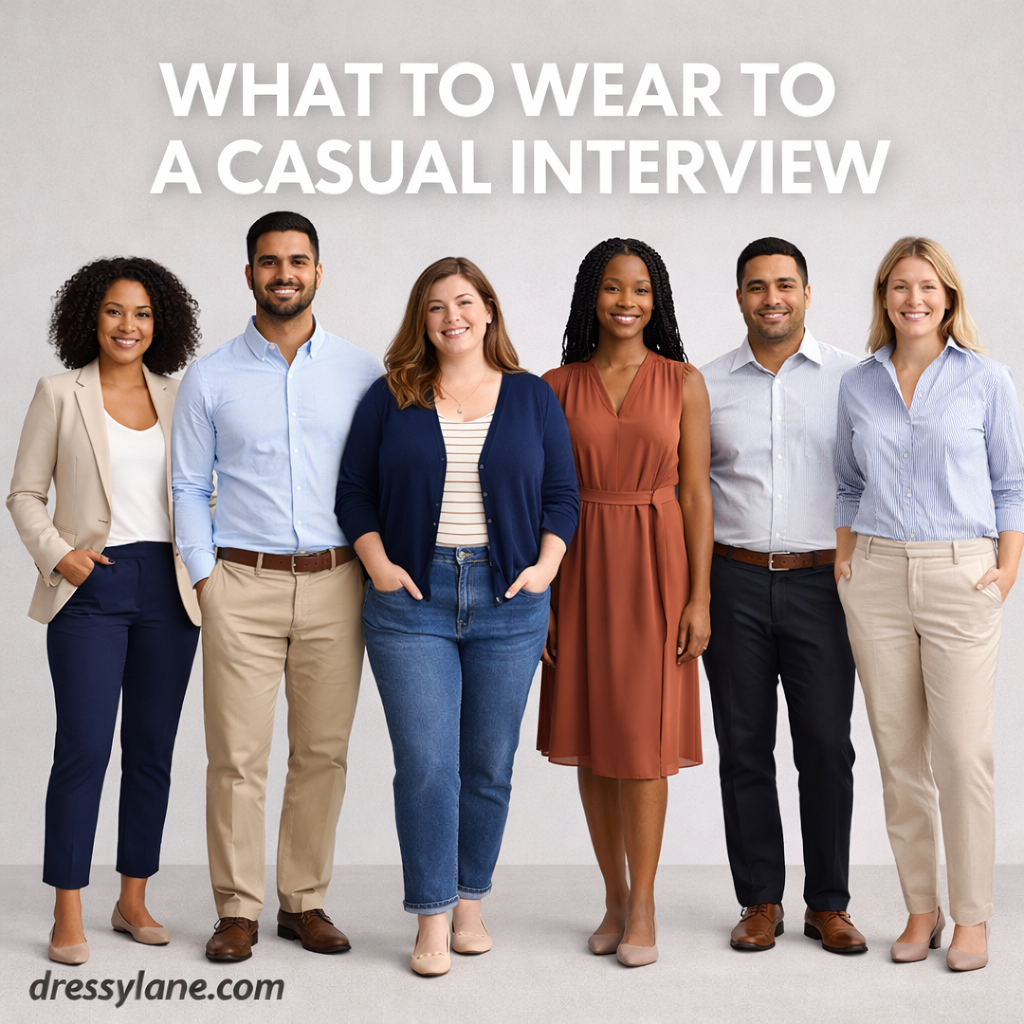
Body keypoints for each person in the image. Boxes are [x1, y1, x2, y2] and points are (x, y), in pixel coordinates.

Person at [336, 256, 578, 976]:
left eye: (464, 303)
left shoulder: (532, 397)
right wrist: (379, 565)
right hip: (412, 602)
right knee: (426, 767)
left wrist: (544, 568)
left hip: (509, 602)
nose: (452, 317)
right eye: (436, 307)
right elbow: (354, 493)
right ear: (423, 320)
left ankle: (471, 904)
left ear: (490, 311)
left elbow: (563, 495)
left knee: (487, 767)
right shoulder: (392, 397)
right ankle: (432, 918)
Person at [172, 211, 381, 962]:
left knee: (322, 752)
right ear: (250, 272)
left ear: (318, 272)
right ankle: (236, 908)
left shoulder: (363, 372)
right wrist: (205, 576)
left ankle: (304, 902)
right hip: (242, 583)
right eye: (269, 261)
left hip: (337, 583)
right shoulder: (212, 374)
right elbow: (190, 482)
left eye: (297, 261)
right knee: (237, 755)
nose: (283, 273)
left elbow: (380, 478)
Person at [834, 237, 1024, 971]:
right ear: (884, 297)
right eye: (900, 287)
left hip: (961, 573)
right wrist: (849, 556)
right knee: (898, 754)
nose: (915, 299)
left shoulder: (986, 380)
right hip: (876, 577)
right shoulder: (861, 382)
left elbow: (1011, 484)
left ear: (949, 297)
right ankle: (922, 909)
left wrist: (1004, 571)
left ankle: (972, 917)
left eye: (928, 287)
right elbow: (848, 481)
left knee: (962, 753)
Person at [7, 258, 202, 964]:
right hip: (89, 589)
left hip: (168, 591)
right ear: (92, 316)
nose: (129, 325)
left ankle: (132, 898)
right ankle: (67, 909)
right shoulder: (59, 394)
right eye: (116, 311)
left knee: (151, 752)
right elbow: (24, 494)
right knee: (84, 749)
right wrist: (61, 554)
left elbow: (203, 494)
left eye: (144, 313)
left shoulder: (181, 398)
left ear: (163, 323)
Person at [537, 238, 712, 967]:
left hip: (655, 563)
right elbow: (540, 495)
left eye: (640, 288)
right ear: (591, 296)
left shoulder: (684, 382)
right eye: (612, 288)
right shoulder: (554, 384)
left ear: (657, 298)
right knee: (594, 738)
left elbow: (698, 494)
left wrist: (698, 595)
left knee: (640, 744)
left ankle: (644, 906)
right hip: (577, 564)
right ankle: (613, 893)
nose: (626, 302)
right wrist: (540, 594)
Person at [700, 237, 868, 955]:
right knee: (743, 749)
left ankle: (828, 903)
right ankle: (760, 900)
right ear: (739, 296)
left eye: (786, 284)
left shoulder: (855, 380)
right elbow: (691, 494)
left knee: (827, 748)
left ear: (807, 292)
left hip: (824, 583)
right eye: (757, 285)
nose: (773, 297)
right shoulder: (703, 385)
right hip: (732, 578)